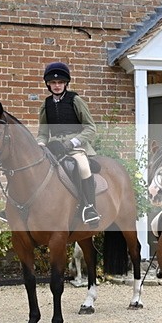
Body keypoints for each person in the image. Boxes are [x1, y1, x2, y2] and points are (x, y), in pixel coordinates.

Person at [35, 62, 101, 227]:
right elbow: (43, 132)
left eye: (60, 82)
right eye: (53, 83)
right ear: (48, 85)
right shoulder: (46, 104)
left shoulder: (75, 100)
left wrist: (72, 142)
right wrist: (41, 144)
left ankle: (89, 207)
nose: (57, 86)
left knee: (83, 167)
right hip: (53, 146)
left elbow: (90, 127)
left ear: (65, 83)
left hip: (76, 146)